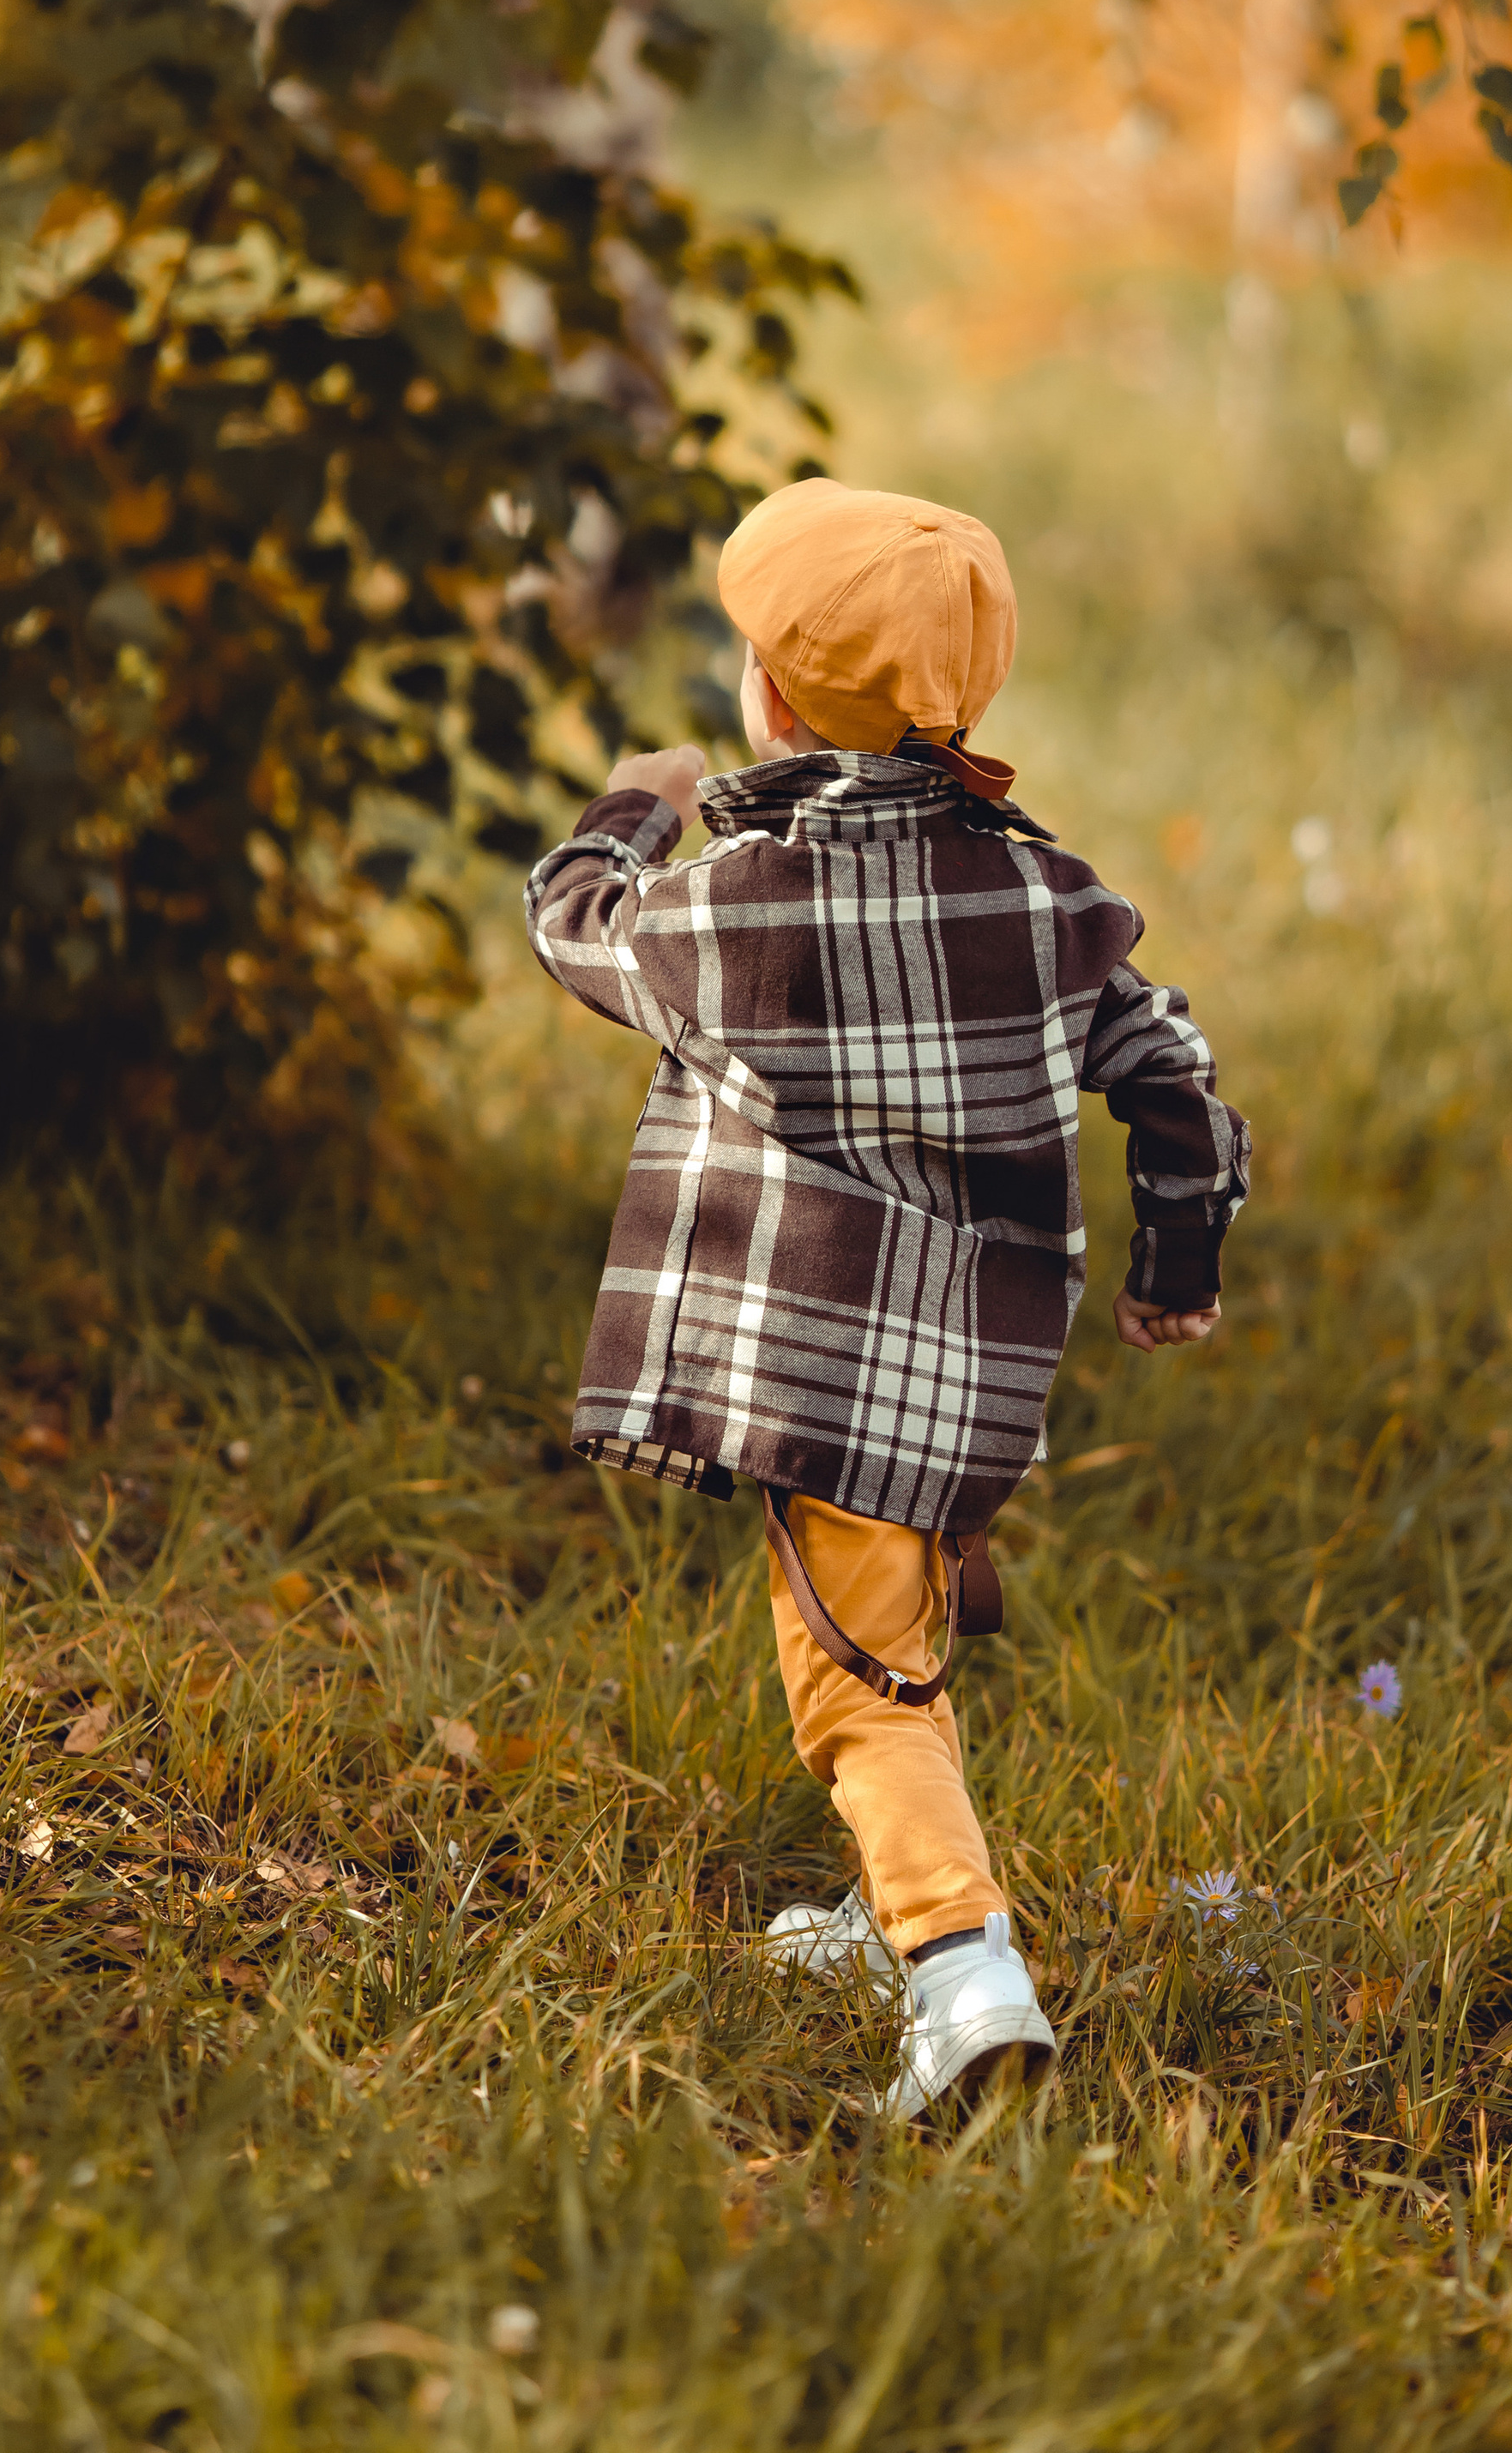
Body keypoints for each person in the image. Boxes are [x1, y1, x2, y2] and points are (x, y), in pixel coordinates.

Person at [524, 479, 1249, 2118]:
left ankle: (961, 1966)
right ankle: (885, 1908)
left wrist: (631, 811)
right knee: (900, 1636)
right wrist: (1177, 1262)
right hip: (974, 1384)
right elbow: (1172, 1072)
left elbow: (577, 936)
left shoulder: (741, 910)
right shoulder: (1047, 900)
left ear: (771, 698)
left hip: (819, 1375)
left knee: (856, 1695)